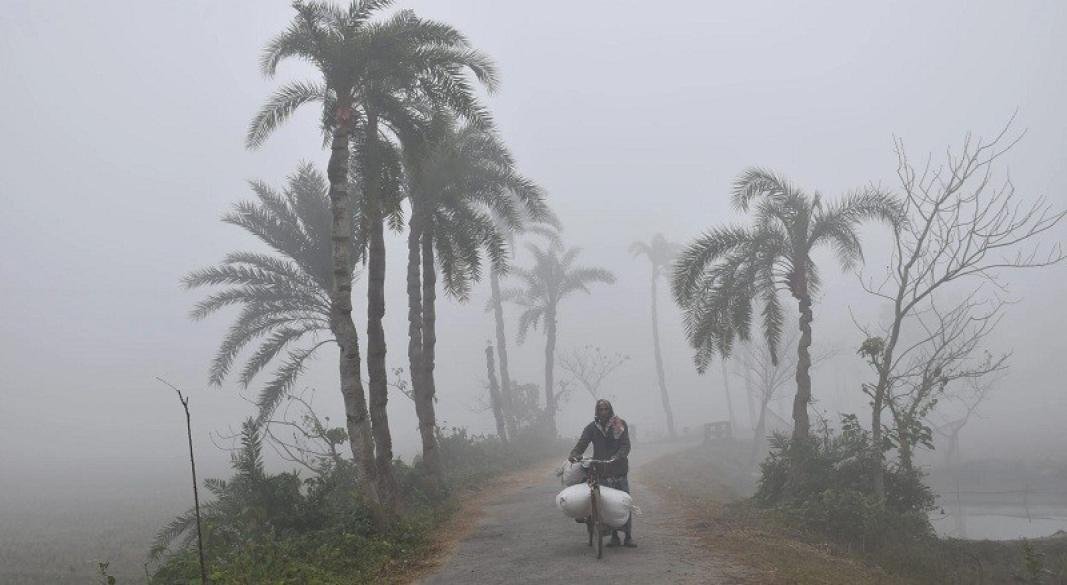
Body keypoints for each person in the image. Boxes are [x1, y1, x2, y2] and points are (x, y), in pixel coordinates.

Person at [568, 398, 635, 547]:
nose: (603, 412)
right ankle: (614, 537)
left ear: (610, 409)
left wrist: (618, 456)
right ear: (597, 411)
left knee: (624, 503)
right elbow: (582, 443)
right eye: (600, 409)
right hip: (602, 471)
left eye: (606, 409)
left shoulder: (619, 424)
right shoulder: (592, 428)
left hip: (619, 470)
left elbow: (626, 445)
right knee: (608, 506)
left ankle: (628, 536)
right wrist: (574, 454)